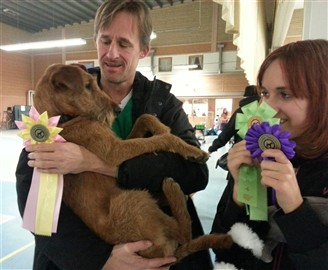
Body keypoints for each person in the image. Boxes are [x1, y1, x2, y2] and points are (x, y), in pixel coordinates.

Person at [15, 1, 213, 270]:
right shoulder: (62, 96)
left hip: (152, 244)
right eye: (105, 40)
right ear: (95, 40)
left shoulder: (163, 104)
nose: (111, 53)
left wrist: (98, 164)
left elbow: (196, 173)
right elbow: (33, 193)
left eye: (124, 43)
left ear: (144, 49)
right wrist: (99, 259)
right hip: (85, 255)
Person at [211, 39, 328, 269]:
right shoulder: (258, 156)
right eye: (265, 93)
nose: (267, 107)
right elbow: (224, 249)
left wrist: (295, 210)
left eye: (285, 94)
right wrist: (238, 197)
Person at [208, 85, 259, 154]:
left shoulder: (241, 111)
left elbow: (227, 132)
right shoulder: (266, 110)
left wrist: (213, 147)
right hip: (264, 153)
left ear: (245, 95)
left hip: (242, 152)